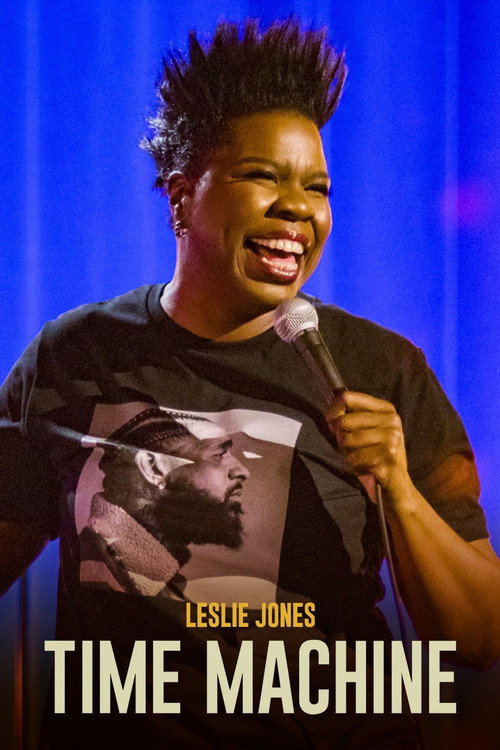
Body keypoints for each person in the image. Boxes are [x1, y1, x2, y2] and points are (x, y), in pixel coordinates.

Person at [0, 17, 499, 749]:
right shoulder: (75, 356)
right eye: (264, 176)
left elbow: (479, 636)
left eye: (316, 187)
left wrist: (397, 488)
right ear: (181, 198)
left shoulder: (381, 370)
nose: (298, 207)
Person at [79, 407, 250, 596]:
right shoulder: (98, 577)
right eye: (218, 454)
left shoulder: (141, 578)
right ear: (153, 468)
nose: (243, 471)